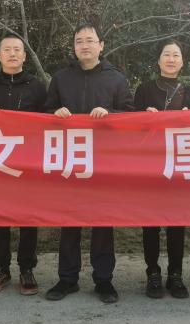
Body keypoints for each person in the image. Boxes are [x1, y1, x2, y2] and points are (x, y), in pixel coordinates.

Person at [43, 23, 134, 304]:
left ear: (101, 45)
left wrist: (110, 113)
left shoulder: (116, 79)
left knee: (103, 223)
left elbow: (131, 116)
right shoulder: (61, 78)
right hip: (70, 159)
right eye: (79, 41)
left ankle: (103, 280)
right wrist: (55, 112)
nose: (84, 45)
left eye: (90, 40)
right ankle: (67, 278)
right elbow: (45, 112)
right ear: (74, 46)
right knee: (69, 221)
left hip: (104, 162)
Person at [133, 39, 190, 299]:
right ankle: (152, 272)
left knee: (176, 223)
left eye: (176, 55)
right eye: (166, 55)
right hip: (150, 165)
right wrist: (144, 117)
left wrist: (189, 119)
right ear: (158, 60)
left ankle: (176, 274)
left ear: (182, 61)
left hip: (179, 164)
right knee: (150, 223)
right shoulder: (144, 89)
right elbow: (130, 125)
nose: (171, 59)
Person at [0, 33, 48, 296]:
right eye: (7, 50)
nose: (12, 54)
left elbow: (48, 121)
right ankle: (2, 268)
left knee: (28, 218)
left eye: (17, 50)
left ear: (24, 56)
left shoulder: (37, 87)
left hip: (29, 163)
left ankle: (26, 268)